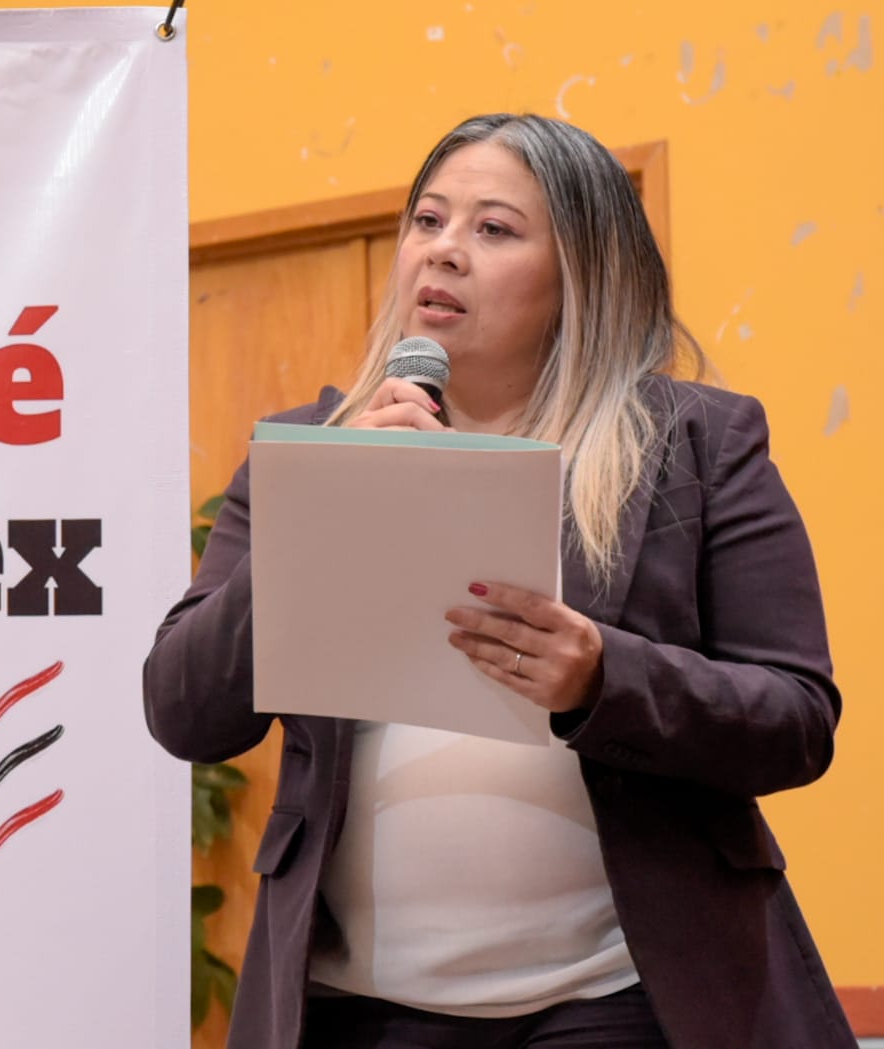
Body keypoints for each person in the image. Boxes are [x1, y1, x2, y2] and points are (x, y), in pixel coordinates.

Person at [143, 113, 852, 1049]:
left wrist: (603, 678)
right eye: (428, 220)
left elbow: (795, 718)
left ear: (581, 273)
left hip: (621, 1001)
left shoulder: (696, 445)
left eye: (493, 228)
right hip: (364, 1014)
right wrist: (323, 516)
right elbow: (184, 709)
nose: (444, 251)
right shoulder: (310, 452)